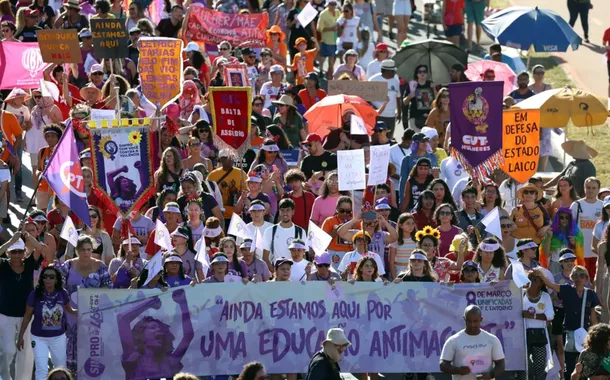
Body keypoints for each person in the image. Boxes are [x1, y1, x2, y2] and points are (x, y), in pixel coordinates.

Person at [537, 265, 600, 377]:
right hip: (570, 333)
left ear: (586, 278)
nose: (578, 278)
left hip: (585, 333)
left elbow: (593, 315)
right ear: (571, 277)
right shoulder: (566, 289)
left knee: (585, 366)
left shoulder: (590, 294)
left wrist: (595, 334)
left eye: (581, 275)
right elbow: (550, 285)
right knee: (570, 364)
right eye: (575, 275)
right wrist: (540, 274)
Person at [17, 265, 76, 380]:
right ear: (42, 279)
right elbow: (27, 316)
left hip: (58, 337)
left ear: (56, 279)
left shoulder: (62, 293)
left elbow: (69, 309)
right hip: (38, 338)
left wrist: (82, 311)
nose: (48, 279)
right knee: (41, 369)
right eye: (45, 277)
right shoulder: (35, 294)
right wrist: (20, 336)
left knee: (61, 369)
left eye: (51, 277)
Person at [0, 234, 43, 380]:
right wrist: (11, 241)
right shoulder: (3, 265)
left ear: (24, 252)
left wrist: (28, 236)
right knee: (8, 350)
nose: (17, 255)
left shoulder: (30, 264)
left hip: (27, 315)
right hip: (5, 314)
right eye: (13, 251)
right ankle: (5, 376)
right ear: (8, 253)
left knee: (25, 352)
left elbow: (40, 249)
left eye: (19, 251)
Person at [440, 305, 506, 380]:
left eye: (475, 321)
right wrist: (458, 370)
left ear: (481, 319)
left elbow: (501, 364)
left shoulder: (492, 339)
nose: (472, 325)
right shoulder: (453, 340)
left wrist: (491, 375)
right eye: (469, 321)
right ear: (464, 319)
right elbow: (443, 365)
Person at [571, 177, 603, 280]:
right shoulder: (576, 205)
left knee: (595, 281)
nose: (591, 190)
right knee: (580, 280)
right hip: (580, 250)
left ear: (598, 189)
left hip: (596, 251)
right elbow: (570, 225)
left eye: (594, 188)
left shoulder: (603, 206)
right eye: (588, 187)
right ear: (584, 188)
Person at [262, 198, 307, 271]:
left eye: (288, 210)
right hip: (277, 274)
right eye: (282, 210)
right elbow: (265, 257)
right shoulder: (270, 231)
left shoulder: (300, 231)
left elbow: (303, 256)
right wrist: (275, 273)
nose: (285, 213)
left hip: (295, 273)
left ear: (293, 212)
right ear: (279, 212)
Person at [399, 133, 438, 204]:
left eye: (426, 141)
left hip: (429, 193)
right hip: (413, 193)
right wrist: (401, 200)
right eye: (422, 141)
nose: (425, 143)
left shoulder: (432, 157)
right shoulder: (407, 159)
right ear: (415, 143)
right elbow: (403, 181)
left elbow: (436, 177)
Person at [369, 59, 401, 136]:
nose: (394, 73)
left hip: (391, 116)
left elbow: (398, 98)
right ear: (386, 71)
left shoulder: (396, 81)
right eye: (393, 71)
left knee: (389, 139)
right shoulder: (373, 80)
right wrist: (373, 109)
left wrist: (399, 113)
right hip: (377, 116)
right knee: (377, 139)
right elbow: (366, 98)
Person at [403, 64, 437, 131]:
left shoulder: (430, 84)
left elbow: (437, 100)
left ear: (427, 73)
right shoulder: (412, 84)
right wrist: (410, 96)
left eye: (424, 71)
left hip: (429, 117)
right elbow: (404, 102)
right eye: (420, 71)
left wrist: (434, 89)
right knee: (417, 138)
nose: (422, 73)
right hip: (415, 117)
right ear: (417, 74)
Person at [316, 0, 339, 78]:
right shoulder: (323, 14)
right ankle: (328, 75)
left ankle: (327, 73)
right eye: (331, 4)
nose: (333, 6)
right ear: (327, 5)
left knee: (333, 59)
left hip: (337, 40)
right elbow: (319, 28)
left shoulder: (338, 12)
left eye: (334, 4)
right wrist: (331, 29)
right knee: (329, 59)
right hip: (327, 40)